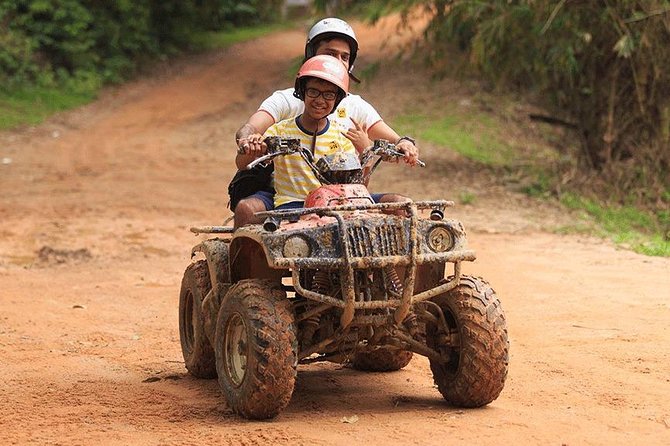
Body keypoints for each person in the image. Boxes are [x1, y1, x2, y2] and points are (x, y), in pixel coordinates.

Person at [230, 18, 417, 219]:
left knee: (402, 205)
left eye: (344, 57)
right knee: (248, 209)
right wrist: (250, 143)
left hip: (341, 196)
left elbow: (387, 147)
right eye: (330, 53)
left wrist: (398, 145)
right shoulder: (284, 107)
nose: (320, 100)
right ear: (303, 90)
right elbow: (250, 131)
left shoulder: (351, 116)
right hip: (290, 195)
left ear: (338, 99)